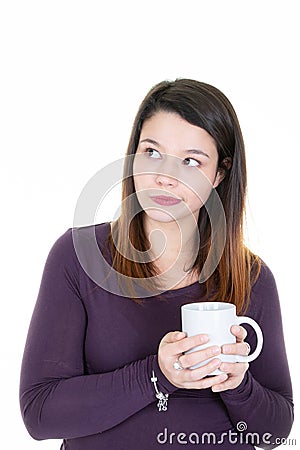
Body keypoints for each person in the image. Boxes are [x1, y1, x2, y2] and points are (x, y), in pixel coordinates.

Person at [19, 79, 294, 449]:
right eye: (152, 152)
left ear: (220, 174)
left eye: (191, 161)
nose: (165, 176)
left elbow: (276, 432)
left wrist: (239, 385)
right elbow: (40, 414)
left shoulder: (252, 278)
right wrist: (157, 375)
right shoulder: (78, 257)